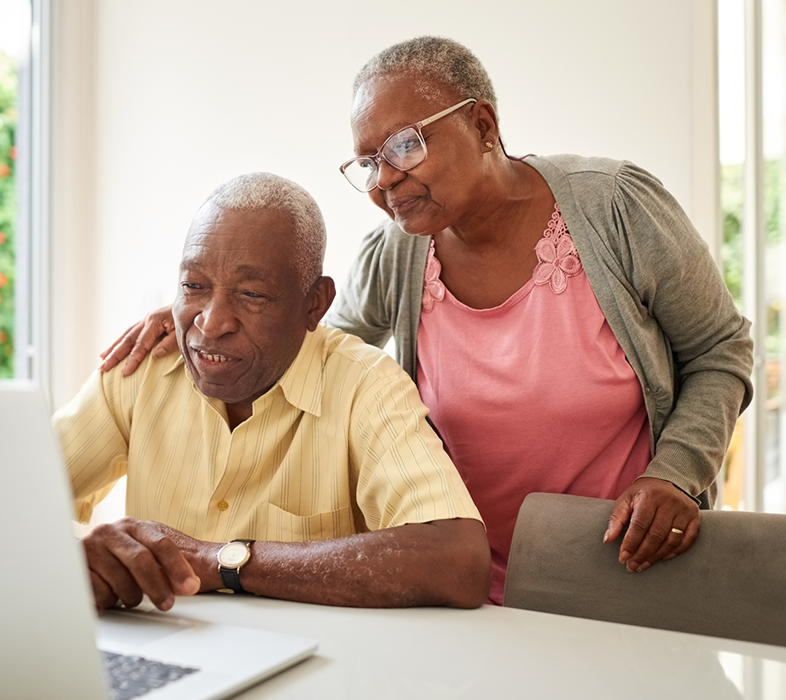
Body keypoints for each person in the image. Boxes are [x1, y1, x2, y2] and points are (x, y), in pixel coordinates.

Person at [100, 37, 754, 605]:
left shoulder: (615, 207)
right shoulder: (398, 253)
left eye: (405, 146)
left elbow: (721, 349)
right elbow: (317, 348)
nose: (384, 180)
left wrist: (675, 473)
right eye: (367, 162)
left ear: (484, 125)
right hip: (457, 581)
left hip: (624, 565)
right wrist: (210, 306)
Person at [56, 171, 490, 612]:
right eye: (193, 286)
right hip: (163, 656)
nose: (211, 322)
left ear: (314, 304)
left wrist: (218, 561)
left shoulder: (365, 386)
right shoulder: (140, 369)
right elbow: (3, 504)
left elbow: (458, 561)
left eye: (251, 294)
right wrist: (86, 556)